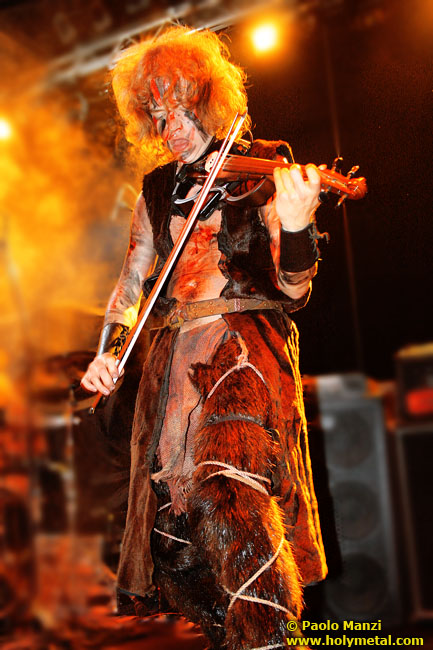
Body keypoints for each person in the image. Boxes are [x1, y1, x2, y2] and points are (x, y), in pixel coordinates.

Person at [81, 26, 327, 650]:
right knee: (179, 534)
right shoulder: (157, 190)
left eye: (182, 110)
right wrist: (108, 351)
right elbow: (131, 282)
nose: (172, 129)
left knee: (229, 483)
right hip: (173, 366)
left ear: (207, 100)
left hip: (241, 351)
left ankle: (271, 638)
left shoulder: (262, 164)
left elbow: (294, 290)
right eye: (159, 116)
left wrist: (297, 224)